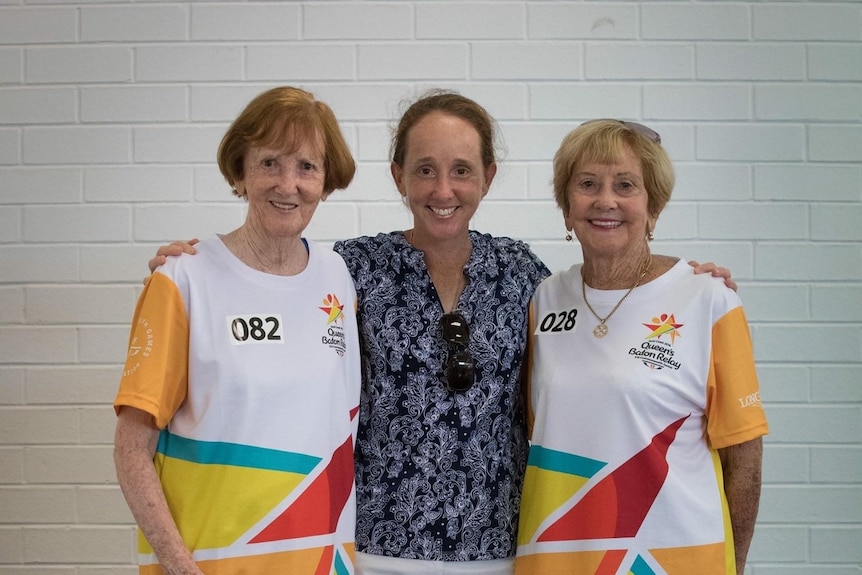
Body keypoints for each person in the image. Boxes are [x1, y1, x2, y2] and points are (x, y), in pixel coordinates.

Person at [146, 92, 737, 575]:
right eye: (424, 170)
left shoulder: (523, 274)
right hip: (372, 548)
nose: (442, 190)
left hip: (499, 551)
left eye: (461, 171)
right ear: (399, 175)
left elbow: (591, 347)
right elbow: (268, 272)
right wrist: (201, 264)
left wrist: (681, 281)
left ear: (488, 176)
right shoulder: (350, 268)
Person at [113, 86, 361, 575]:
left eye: (307, 167)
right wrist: (179, 567)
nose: (288, 184)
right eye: (270, 162)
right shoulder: (183, 279)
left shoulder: (339, 276)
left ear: (326, 182)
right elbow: (130, 449)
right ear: (241, 171)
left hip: (323, 562)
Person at [516, 119, 767, 575]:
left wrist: (736, 566)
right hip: (556, 558)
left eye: (626, 185)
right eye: (587, 184)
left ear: (654, 206)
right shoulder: (543, 300)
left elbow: (744, 459)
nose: (605, 200)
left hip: (670, 560)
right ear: (566, 206)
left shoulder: (708, 298)